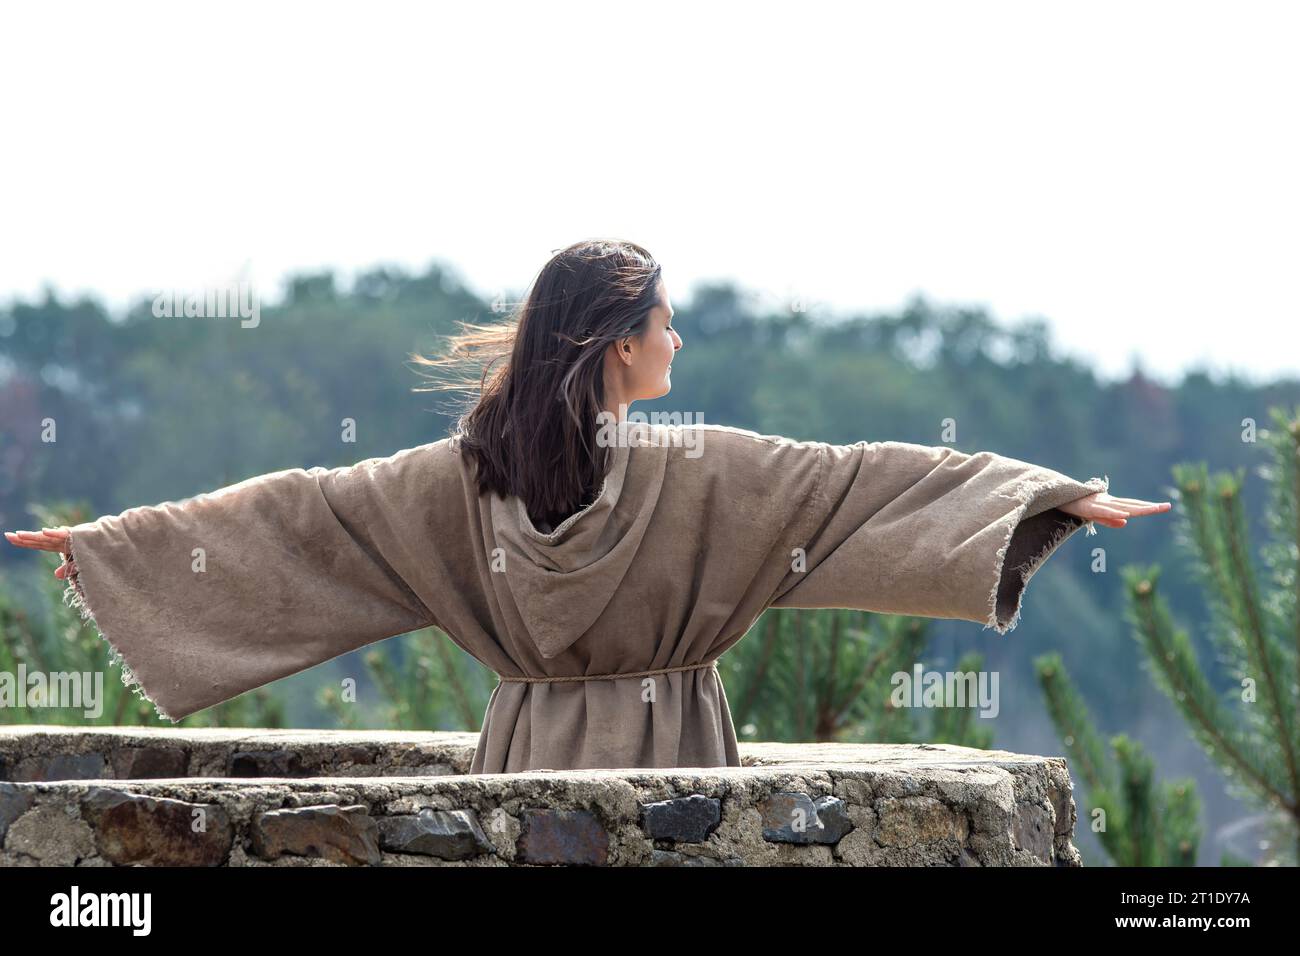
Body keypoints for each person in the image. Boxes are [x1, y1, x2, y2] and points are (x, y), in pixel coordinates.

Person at [4, 238, 1171, 773]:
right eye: (664, 320)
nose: (677, 337)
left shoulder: (450, 480)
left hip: (523, 754)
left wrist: (118, 550)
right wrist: (1049, 499)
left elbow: (298, 518)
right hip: (678, 754)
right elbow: (865, 479)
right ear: (621, 342)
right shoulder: (702, 467)